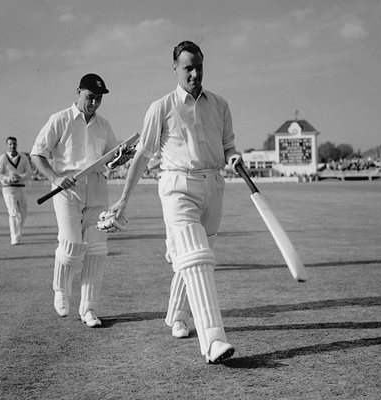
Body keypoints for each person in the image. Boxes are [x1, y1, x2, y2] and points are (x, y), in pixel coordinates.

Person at [106, 41, 243, 364]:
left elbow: (229, 146)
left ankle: (177, 314)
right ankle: (213, 341)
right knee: (196, 257)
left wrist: (235, 158)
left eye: (198, 67)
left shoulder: (220, 104)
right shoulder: (161, 107)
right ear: (175, 69)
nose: (194, 74)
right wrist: (123, 200)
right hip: (177, 186)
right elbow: (142, 157)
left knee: (193, 255)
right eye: (187, 68)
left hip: (213, 184)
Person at [30, 73, 121, 327]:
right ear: (78, 92)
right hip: (68, 190)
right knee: (71, 246)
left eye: (99, 99)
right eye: (90, 97)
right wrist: (55, 177)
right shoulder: (60, 120)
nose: (94, 103)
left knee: (96, 250)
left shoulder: (104, 125)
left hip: (97, 188)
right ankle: (60, 289)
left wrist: (118, 160)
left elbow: (109, 159)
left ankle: (89, 309)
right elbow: (37, 154)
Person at [0, 136, 32, 245]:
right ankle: (14, 237)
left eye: (14, 144)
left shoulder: (23, 157)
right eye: (10, 144)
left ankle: (17, 231)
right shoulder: (2, 158)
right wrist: (8, 178)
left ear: (17, 144)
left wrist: (19, 177)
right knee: (13, 213)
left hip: (20, 187)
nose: (12, 146)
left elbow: (29, 173)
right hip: (8, 189)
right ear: (7, 145)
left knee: (23, 213)